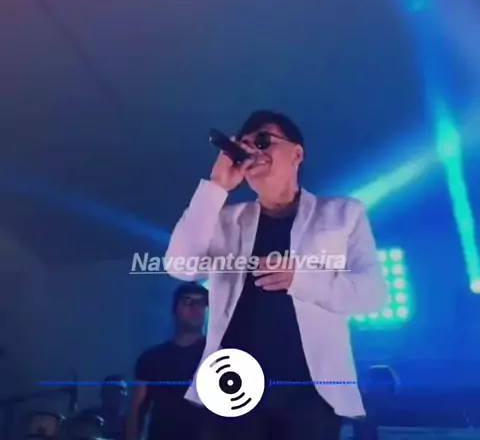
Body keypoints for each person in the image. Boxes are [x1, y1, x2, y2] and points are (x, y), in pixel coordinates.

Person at [165, 110, 388, 440]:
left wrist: (302, 279)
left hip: (310, 391)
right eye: (243, 145)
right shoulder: (226, 219)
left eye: (263, 141)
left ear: (297, 153)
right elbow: (179, 265)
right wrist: (216, 187)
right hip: (231, 383)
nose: (252, 151)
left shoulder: (343, 214)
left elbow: (372, 293)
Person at [126, 283, 208, 440]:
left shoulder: (217, 355)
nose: (195, 308)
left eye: (201, 303)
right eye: (188, 301)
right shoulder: (152, 358)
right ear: (175, 309)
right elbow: (137, 409)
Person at [81, 374, 128, 440]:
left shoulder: (129, 423)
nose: (122, 394)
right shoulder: (88, 418)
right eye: (116, 389)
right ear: (103, 393)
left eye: (124, 390)